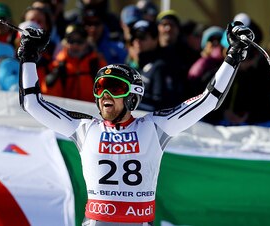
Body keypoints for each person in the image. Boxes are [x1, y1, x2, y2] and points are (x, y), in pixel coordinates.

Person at [17, 22, 254, 225]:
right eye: (101, 87)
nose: (106, 94)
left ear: (132, 96)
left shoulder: (155, 126)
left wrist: (233, 54)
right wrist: (28, 55)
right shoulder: (84, 129)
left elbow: (208, 100)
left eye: (116, 87)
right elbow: (32, 103)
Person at [45, 24, 107, 101]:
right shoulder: (58, 65)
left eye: (79, 41)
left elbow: (107, 92)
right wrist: (50, 84)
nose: (75, 45)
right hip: (66, 111)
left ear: (86, 42)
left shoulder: (97, 63)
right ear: (65, 42)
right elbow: (51, 98)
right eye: (71, 41)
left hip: (93, 110)